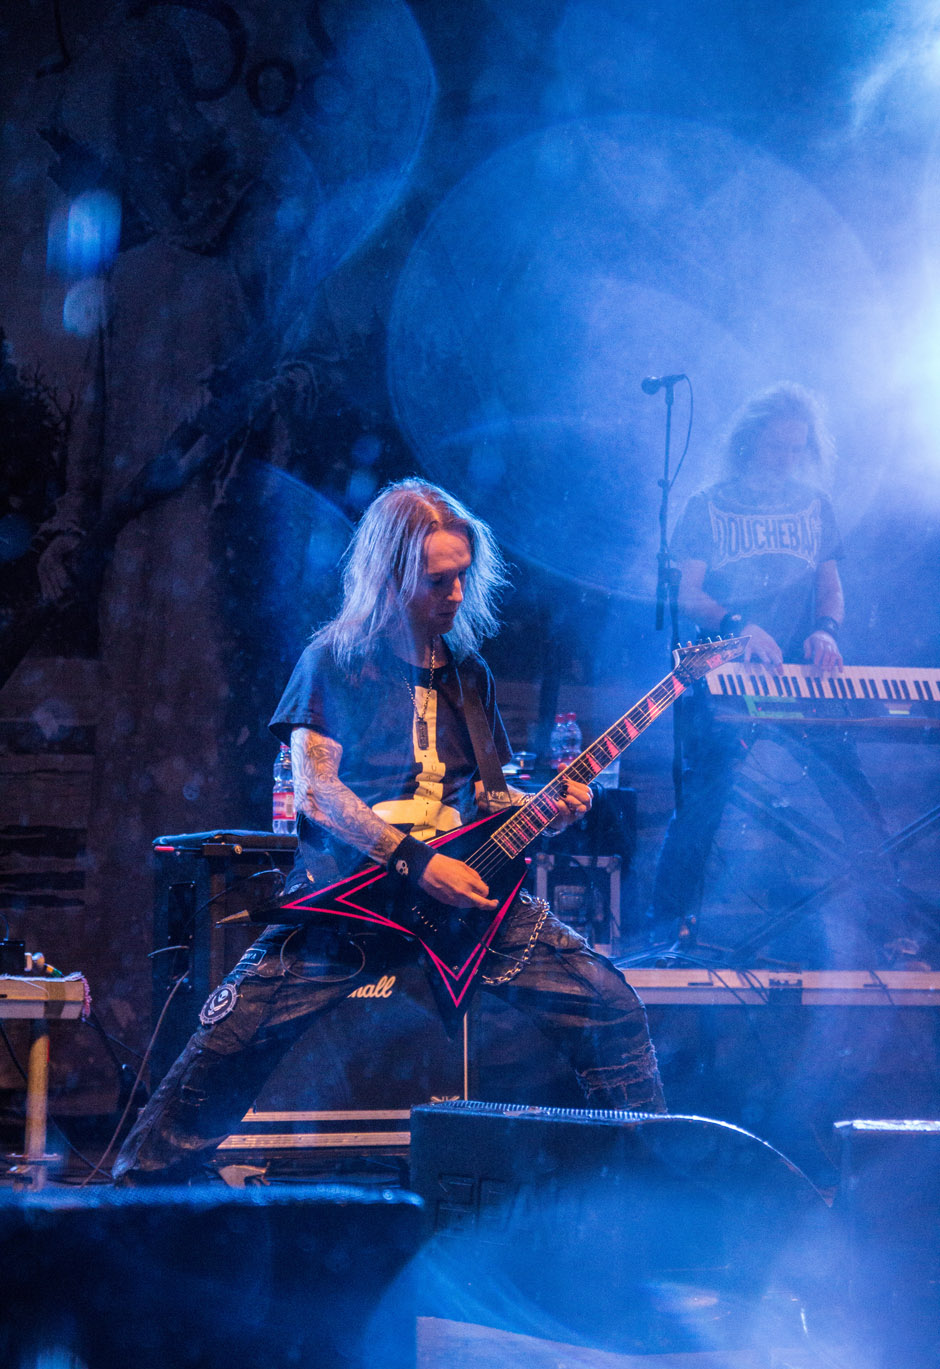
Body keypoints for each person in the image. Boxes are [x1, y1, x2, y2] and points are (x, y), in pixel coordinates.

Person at [114, 478, 664, 1183]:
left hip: (463, 908)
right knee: (225, 1045)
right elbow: (317, 793)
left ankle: (649, 1192)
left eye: (464, 576)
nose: (457, 595)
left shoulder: (471, 676)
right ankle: (131, 1202)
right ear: (392, 574)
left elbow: (493, 802)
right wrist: (415, 861)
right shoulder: (336, 661)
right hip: (351, 900)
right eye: (439, 580)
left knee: (611, 1007)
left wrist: (547, 812)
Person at [648, 383, 895, 960]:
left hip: (797, 680)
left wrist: (825, 631)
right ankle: (665, 929)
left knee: (852, 796)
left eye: (795, 448)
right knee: (705, 802)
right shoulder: (708, 505)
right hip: (728, 676)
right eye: (775, 447)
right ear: (749, 443)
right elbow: (687, 591)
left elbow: (831, 590)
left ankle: (894, 924)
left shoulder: (815, 507)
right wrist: (739, 627)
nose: (785, 458)